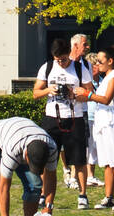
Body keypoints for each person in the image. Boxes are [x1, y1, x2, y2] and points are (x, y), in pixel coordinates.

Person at [33, 39, 93, 205]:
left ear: (69, 55)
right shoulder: (47, 68)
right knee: (46, 157)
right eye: (57, 60)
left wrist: (74, 94)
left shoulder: (80, 69)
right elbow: (35, 93)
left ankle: (82, 195)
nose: (61, 63)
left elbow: (90, 93)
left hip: (75, 117)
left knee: (79, 159)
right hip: (52, 118)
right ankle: (43, 194)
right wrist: (48, 90)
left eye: (64, 60)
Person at [87, 45, 114, 210]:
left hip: (112, 121)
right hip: (102, 122)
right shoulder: (105, 78)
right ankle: (108, 197)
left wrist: (88, 95)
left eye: (100, 61)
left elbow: (106, 99)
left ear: (110, 61)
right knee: (106, 162)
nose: (97, 64)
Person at [65, 33, 96, 200]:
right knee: (64, 145)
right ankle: (67, 172)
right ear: (75, 45)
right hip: (63, 111)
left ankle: (75, 178)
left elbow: (89, 90)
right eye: (85, 44)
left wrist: (79, 95)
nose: (87, 47)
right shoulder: (63, 62)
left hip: (81, 110)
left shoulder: (85, 65)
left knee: (81, 145)